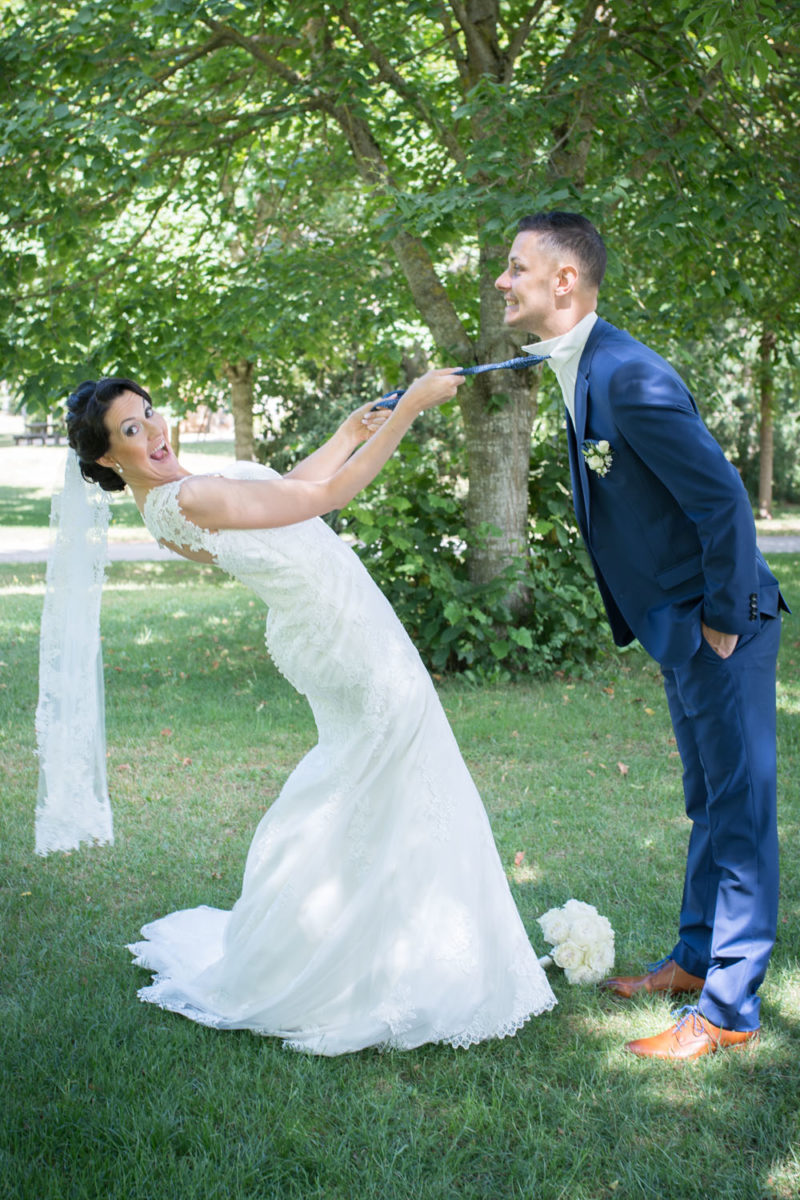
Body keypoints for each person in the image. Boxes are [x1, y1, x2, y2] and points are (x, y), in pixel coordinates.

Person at [62, 372, 556, 1055]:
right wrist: (408, 409)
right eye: (131, 431)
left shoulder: (166, 505)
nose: (155, 432)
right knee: (396, 770)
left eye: (149, 414)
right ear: (106, 461)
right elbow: (322, 499)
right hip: (346, 636)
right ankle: (385, 951)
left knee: (375, 776)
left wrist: (347, 434)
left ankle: (372, 935)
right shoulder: (192, 495)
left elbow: (286, 490)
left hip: (329, 626)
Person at [495, 211, 787, 1061]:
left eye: (516, 268)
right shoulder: (582, 367)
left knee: (739, 811)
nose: (502, 281)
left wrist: (725, 620)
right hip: (682, 629)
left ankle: (729, 1008)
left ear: (564, 282)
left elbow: (722, 500)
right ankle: (695, 963)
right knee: (709, 801)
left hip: (721, 625)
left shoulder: (626, 375)